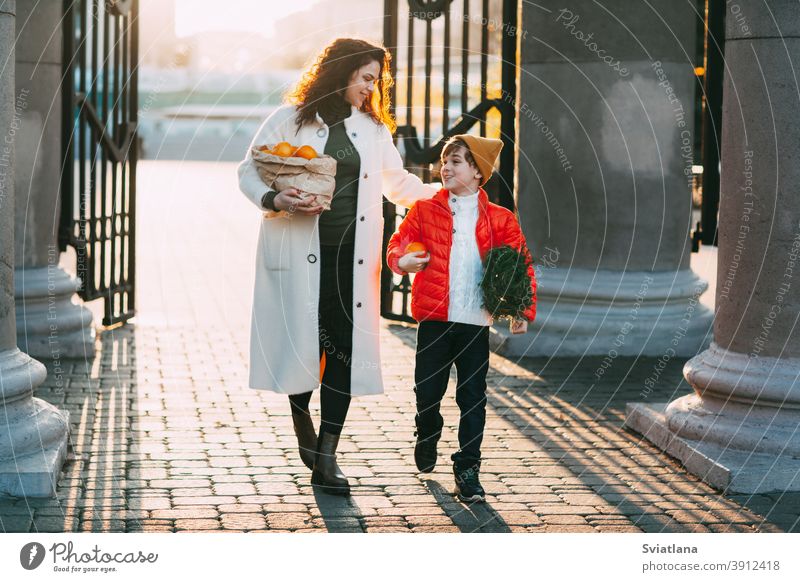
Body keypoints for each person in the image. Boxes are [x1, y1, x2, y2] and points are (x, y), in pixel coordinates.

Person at [237, 38, 438, 496]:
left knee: (342, 348)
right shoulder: (289, 118)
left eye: (376, 79)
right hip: (295, 250)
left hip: (354, 259)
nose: (372, 87)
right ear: (342, 71)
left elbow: (398, 184)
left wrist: (447, 194)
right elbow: (248, 171)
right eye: (366, 77)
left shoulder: (371, 128)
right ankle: (300, 414)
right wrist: (273, 198)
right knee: (302, 345)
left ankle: (327, 456)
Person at [386, 134, 537, 502]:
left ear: (477, 171)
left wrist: (521, 309)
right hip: (435, 319)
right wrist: (402, 262)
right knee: (427, 392)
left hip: (475, 322)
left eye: (456, 161)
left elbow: (521, 267)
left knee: (473, 398)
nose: (445, 167)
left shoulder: (501, 219)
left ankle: (468, 470)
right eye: (444, 161)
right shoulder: (424, 209)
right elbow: (397, 245)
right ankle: (428, 429)